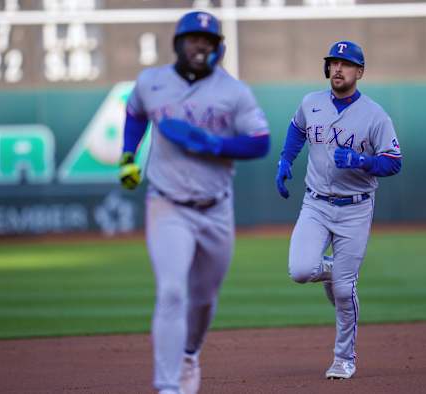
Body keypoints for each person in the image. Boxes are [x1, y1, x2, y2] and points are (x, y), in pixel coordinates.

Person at [118, 11, 270, 394]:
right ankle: (168, 385)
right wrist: (126, 156)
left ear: (218, 47)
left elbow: (260, 141)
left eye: (208, 40)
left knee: (203, 301)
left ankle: (189, 353)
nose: (199, 45)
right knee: (171, 291)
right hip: (167, 204)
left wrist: (216, 144)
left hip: (216, 207)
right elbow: (135, 112)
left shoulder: (234, 92)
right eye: (192, 39)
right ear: (178, 43)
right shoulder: (151, 82)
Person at [275, 40, 402, 379]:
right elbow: (297, 128)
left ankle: (344, 359)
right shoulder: (311, 103)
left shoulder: (375, 115)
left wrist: (361, 160)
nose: (338, 69)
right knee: (301, 270)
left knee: (344, 291)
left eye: (346, 64)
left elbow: (394, 163)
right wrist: (286, 159)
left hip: (355, 208)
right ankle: (333, 269)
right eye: (333, 63)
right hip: (315, 203)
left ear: (359, 72)